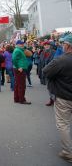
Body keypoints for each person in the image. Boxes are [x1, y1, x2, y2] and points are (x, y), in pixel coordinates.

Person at [42, 34, 72, 163]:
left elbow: (46, 71)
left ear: (67, 45)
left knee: (63, 124)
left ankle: (68, 152)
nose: (62, 46)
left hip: (64, 96)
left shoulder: (61, 60)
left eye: (63, 44)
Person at [12, 40, 31, 104]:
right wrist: (18, 67)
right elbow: (14, 59)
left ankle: (17, 98)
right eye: (21, 44)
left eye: (22, 44)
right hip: (20, 69)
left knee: (18, 84)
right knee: (21, 85)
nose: (22, 45)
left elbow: (30, 54)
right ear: (17, 44)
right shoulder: (17, 50)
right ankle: (22, 99)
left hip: (20, 68)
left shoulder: (19, 50)